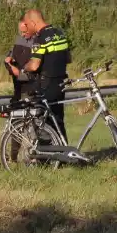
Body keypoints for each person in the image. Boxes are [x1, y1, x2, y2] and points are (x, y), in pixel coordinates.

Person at [22, 8, 72, 141]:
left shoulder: (40, 38)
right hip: (61, 82)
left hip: (46, 83)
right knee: (58, 119)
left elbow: (34, 65)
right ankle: (63, 152)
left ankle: (48, 154)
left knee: (44, 120)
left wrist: (24, 67)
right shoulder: (60, 33)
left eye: (26, 24)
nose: (26, 28)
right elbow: (69, 59)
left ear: (33, 22)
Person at [5, 18, 38, 102]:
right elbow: (11, 55)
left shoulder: (38, 41)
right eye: (21, 32)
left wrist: (21, 74)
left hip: (31, 85)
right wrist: (10, 59)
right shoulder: (18, 39)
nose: (23, 35)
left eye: (25, 32)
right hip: (17, 85)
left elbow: (36, 64)